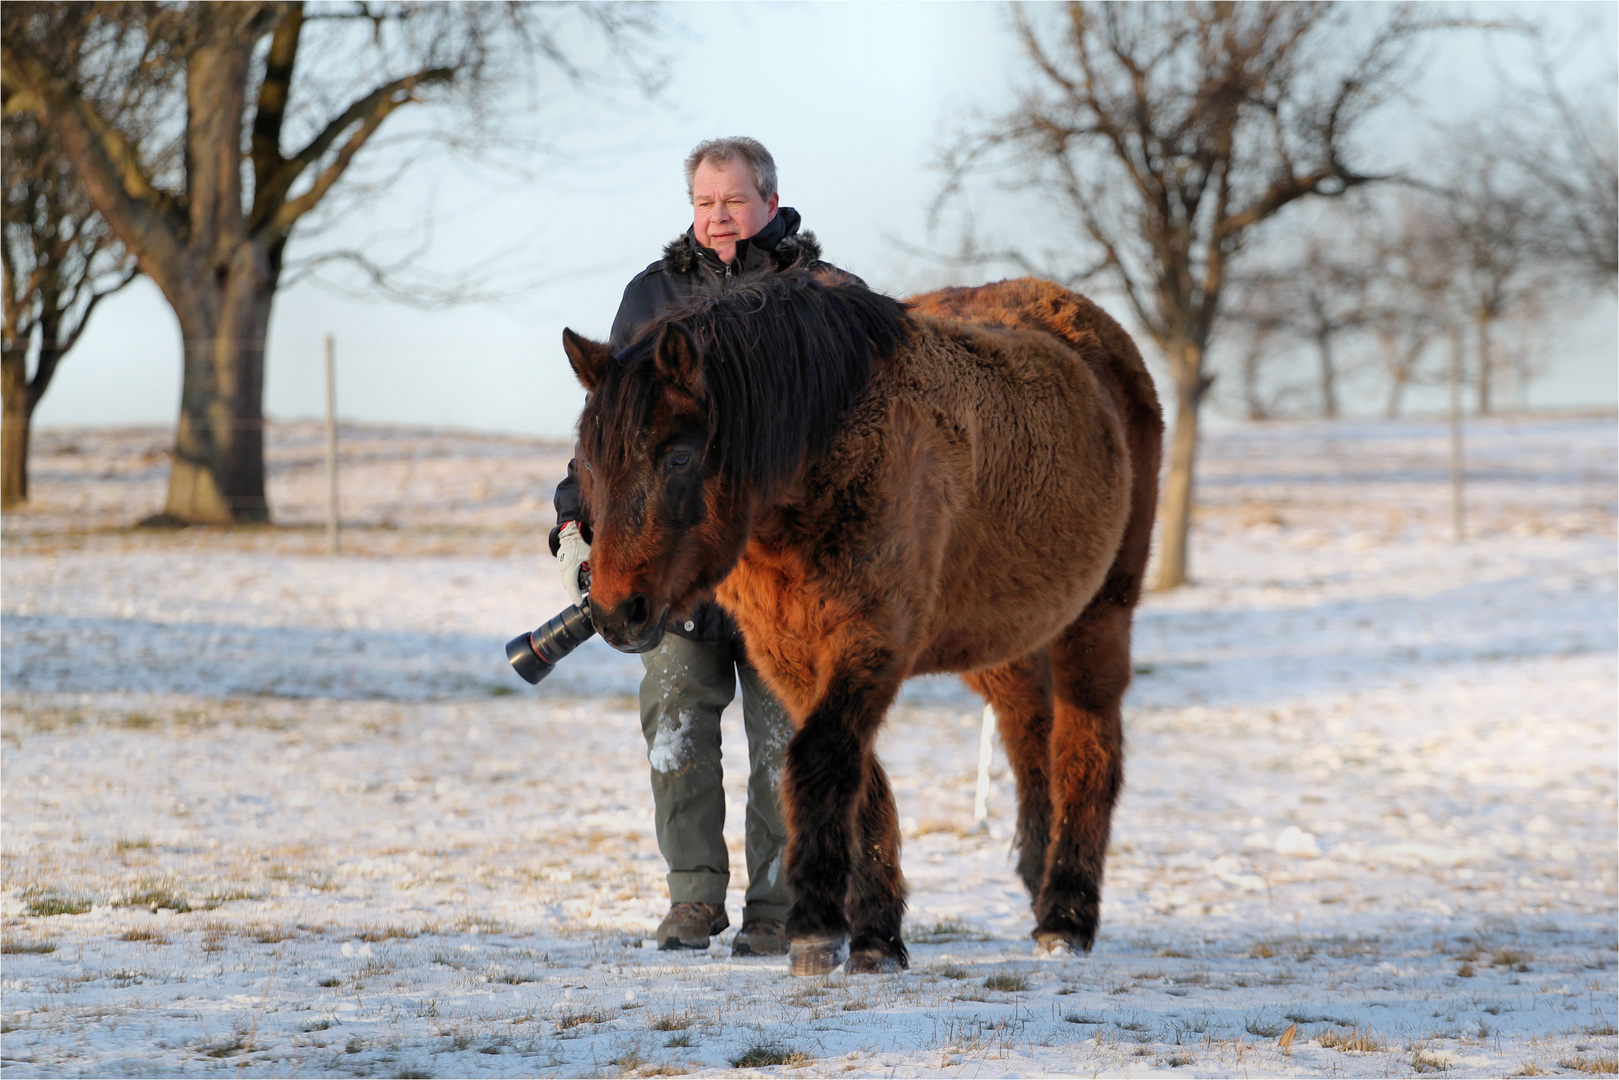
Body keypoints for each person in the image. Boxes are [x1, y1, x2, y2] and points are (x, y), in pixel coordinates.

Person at [548, 137, 854, 957]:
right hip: (674, 565)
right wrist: (579, 515)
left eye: (734, 201)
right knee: (676, 724)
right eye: (704, 203)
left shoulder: (823, 297)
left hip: (788, 571)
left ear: (770, 201)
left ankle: (779, 909)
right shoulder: (650, 296)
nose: (719, 219)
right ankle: (692, 899)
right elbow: (612, 431)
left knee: (785, 742)